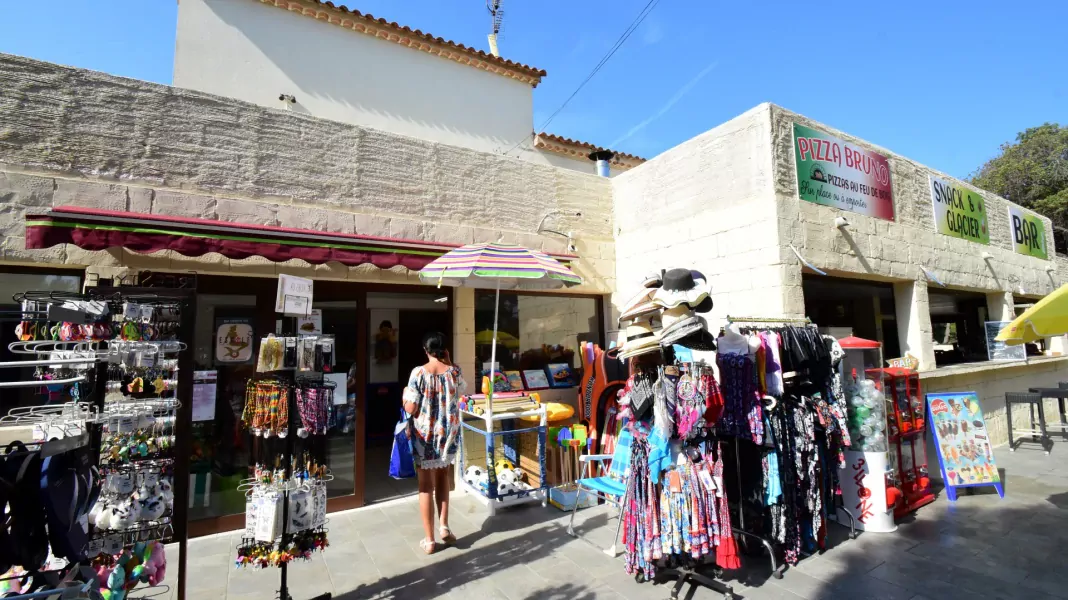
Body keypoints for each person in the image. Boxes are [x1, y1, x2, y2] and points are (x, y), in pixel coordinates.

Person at [402, 331, 465, 554]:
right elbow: (461, 392)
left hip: (425, 436)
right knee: (443, 480)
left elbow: (410, 407)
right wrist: (450, 363)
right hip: (448, 435)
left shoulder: (418, 373)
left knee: (425, 486)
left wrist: (403, 394)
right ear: (444, 350)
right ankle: (445, 527)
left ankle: (429, 540)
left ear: (425, 350)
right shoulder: (454, 372)